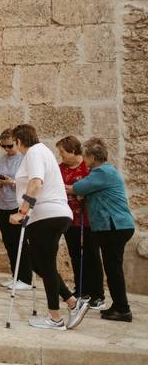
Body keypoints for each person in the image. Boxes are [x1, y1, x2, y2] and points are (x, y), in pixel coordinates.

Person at [9, 124, 88, 330]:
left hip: (46, 215)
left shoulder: (34, 152)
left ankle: (55, 318)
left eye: (14, 142)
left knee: (45, 264)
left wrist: (22, 211)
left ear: (19, 140)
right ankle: (72, 302)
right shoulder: (43, 151)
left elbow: (36, 183)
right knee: (39, 263)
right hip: (52, 215)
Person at [68, 138, 137, 322]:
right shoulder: (101, 172)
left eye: (85, 156)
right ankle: (118, 306)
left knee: (113, 269)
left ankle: (123, 309)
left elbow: (77, 188)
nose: (84, 160)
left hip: (114, 227)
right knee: (112, 268)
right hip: (114, 227)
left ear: (91, 157)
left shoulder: (102, 172)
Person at [56, 135, 105, 307]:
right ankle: (81, 289)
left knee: (92, 255)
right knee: (75, 255)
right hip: (69, 219)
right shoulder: (60, 168)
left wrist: (75, 190)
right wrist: (73, 191)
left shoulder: (88, 166)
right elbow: (55, 186)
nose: (60, 155)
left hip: (89, 218)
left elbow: (93, 188)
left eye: (62, 152)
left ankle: (97, 294)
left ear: (73, 151)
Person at [0, 128, 32, 290]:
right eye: (4, 146)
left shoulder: (25, 159)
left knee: (20, 242)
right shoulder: (3, 159)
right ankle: (15, 275)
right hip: (2, 204)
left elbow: (30, 183)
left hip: (17, 205)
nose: (7, 150)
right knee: (9, 242)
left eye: (10, 146)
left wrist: (12, 182)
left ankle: (25, 278)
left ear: (17, 142)